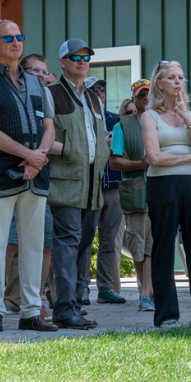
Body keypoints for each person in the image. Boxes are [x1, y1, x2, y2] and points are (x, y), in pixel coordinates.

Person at [0, 20, 57, 332]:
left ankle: (31, 312)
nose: (15, 42)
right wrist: (28, 155)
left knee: (34, 245)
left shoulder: (38, 83)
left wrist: (38, 158)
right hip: (0, 172)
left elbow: (49, 127)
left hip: (35, 174)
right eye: (7, 38)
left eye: (19, 36)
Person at [142, 60, 191, 327]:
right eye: (171, 78)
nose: (178, 82)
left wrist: (187, 118)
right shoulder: (149, 116)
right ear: (160, 84)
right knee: (163, 248)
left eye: (181, 77)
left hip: (190, 186)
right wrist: (189, 158)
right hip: (162, 185)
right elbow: (153, 157)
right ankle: (167, 315)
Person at [45, 38, 110, 330]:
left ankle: (74, 305)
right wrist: (71, 149)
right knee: (68, 246)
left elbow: (100, 136)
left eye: (85, 56)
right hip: (65, 183)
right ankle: (63, 310)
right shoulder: (51, 93)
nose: (81, 61)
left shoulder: (93, 97)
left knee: (83, 246)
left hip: (92, 184)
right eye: (75, 57)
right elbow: (40, 138)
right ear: (62, 63)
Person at [110, 84, 155, 312]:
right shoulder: (123, 125)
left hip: (161, 190)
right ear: (134, 98)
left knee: (154, 246)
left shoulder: (162, 120)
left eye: (149, 93)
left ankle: (148, 292)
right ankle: (143, 291)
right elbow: (114, 161)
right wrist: (139, 164)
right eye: (142, 94)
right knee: (139, 247)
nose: (146, 98)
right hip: (136, 191)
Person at [84, 76, 126, 305]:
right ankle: (82, 289)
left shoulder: (117, 121)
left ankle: (106, 288)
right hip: (90, 186)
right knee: (85, 239)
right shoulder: (80, 118)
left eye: (102, 88)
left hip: (114, 187)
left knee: (110, 241)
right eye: (93, 89)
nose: (99, 92)